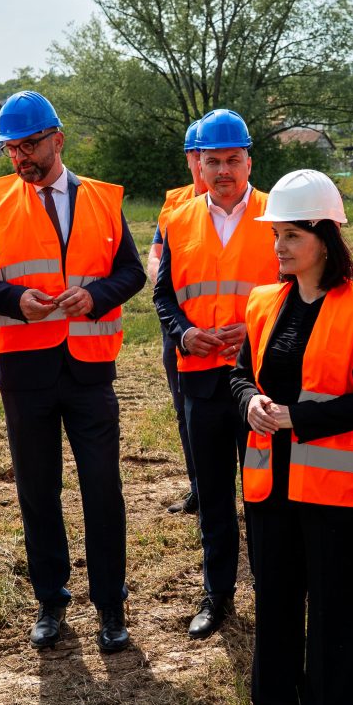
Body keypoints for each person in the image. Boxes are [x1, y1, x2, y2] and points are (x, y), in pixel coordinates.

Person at [229, 170, 353, 705]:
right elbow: (239, 374)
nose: (279, 246)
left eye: (292, 235)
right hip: (269, 481)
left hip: (332, 485)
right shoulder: (263, 302)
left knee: (334, 604)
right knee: (275, 593)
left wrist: (298, 418)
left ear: (325, 238)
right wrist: (249, 401)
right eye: (276, 235)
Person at [0, 90, 147, 653]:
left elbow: (132, 272)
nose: (20, 157)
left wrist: (95, 297)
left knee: (102, 488)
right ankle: (50, 600)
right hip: (26, 372)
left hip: (91, 371)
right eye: (12, 148)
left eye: (29, 145)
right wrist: (15, 298)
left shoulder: (101, 199)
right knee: (37, 490)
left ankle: (110, 604)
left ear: (58, 140)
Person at [153, 109, 280, 638]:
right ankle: (217, 594)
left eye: (232, 160)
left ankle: (274, 590)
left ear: (249, 161)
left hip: (261, 382)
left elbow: (301, 291)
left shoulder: (278, 213)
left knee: (265, 492)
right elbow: (163, 296)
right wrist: (184, 334)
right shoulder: (178, 219)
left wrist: (255, 333)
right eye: (213, 162)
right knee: (212, 495)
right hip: (201, 381)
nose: (223, 171)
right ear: (198, 165)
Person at [148, 117, 210, 517]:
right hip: (180, 325)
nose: (206, 163)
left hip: (231, 328)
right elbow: (155, 256)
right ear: (190, 158)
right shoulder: (175, 204)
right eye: (199, 154)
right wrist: (163, 281)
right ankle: (199, 488)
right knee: (186, 410)